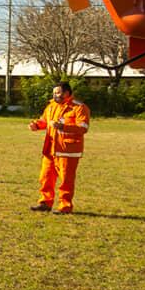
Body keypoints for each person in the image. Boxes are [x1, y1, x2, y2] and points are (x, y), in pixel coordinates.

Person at [28, 81, 91, 214]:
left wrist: (63, 127)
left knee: (66, 180)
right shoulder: (51, 106)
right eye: (54, 93)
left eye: (58, 92)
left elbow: (83, 127)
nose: (56, 95)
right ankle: (45, 203)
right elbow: (45, 121)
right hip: (50, 149)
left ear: (67, 93)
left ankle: (65, 206)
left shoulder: (79, 107)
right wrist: (36, 125)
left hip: (68, 151)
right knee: (45, 178)